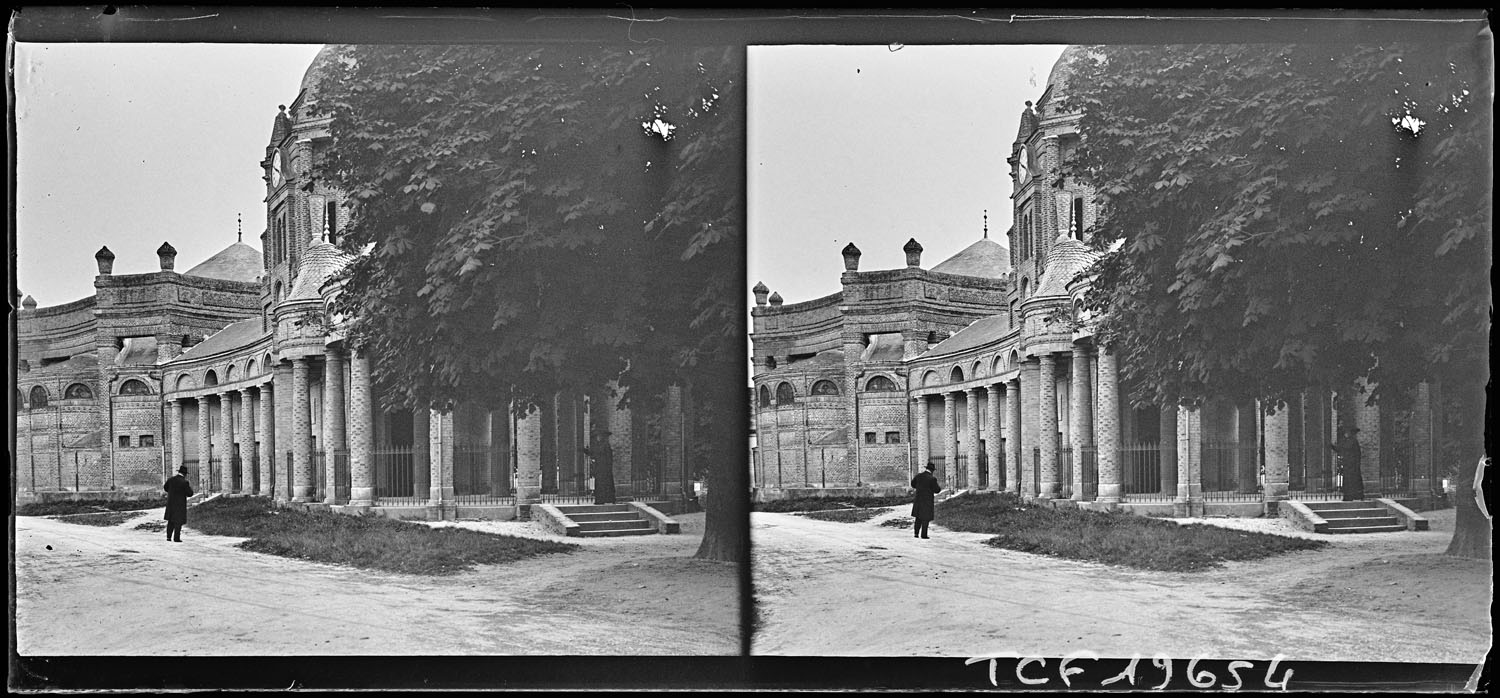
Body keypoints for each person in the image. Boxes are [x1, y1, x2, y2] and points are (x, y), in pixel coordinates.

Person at [1330, 426, 1365, 501]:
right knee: (1349, 480)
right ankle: (1351, 495)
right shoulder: (1348, 441)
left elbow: (1343, 449)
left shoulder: (1352, 441)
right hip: (1348, 464)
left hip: (1352, 464)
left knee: (1351, 480)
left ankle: (1353, 495)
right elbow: (1340, 449)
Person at [910, 462, 942, 539]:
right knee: (925, 517)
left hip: (918, 499)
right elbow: (937, 490)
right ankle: (924, 535)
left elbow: (913, 484)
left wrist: (919, 488)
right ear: (932, 470)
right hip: (927, 500)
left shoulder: (918, 476)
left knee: (918, 517)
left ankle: (916, 533)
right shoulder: (932, 479)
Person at [163, 465, 194, 542]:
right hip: (180, 504)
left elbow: (165, 488)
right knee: (178, 521)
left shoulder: (171, 480)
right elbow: (190, 493)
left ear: (179, 472)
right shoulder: (184, 482)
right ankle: (176, 538)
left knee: (170, 520)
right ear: (185, 474)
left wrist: (171, 492)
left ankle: (168, 537)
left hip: (171, 503)